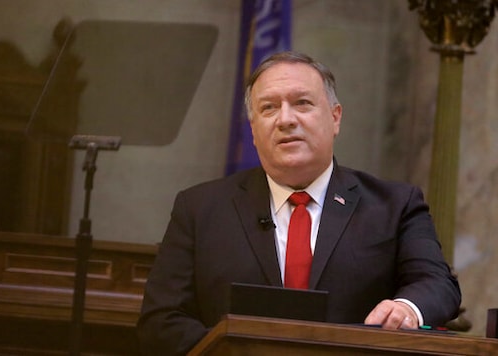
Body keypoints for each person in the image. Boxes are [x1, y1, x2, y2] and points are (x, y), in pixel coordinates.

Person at [137, 51, 461, 355]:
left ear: (335, 118)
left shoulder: (395, 205)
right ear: (253, 129)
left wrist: (406, 308)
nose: (285, 119)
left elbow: (437, 285)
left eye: (302, 103)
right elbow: (161, 320)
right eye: (268, 108)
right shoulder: (199, 209)